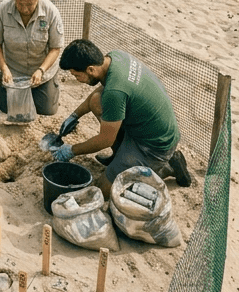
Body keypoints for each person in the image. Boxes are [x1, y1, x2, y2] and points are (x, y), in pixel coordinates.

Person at [51, 39, 191, 197]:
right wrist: (74, 115)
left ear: (90, 69)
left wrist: (72, 150)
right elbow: (96, 97)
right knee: (97, 100)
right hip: (146, 127)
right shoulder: (115, 58)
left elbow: (105, 140)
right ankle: (121, 156)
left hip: (154, 146)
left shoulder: (115, 93)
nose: (77, 79)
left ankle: (166, 168)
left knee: (103, 190)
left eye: (77, 75)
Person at [0, 0, 65, 116]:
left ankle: (50, 87)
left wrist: (41, 70)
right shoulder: (2, 10)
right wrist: (4, 69)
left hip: (42, 71)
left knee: (46, 110)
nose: (24, 9)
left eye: (30, 4)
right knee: (8, 109)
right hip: (14, 71)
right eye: (20, 4)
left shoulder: (51, 11)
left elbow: (55, 48)